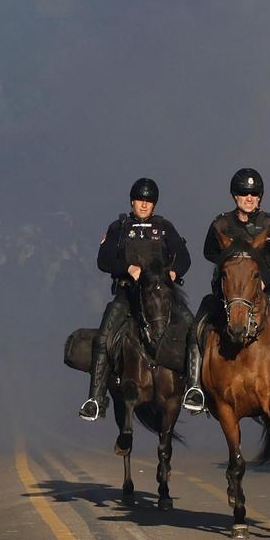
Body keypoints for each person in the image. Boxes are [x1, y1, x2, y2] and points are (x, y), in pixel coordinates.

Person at [189, 168, 270, 412]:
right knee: (198, 324)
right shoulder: (220, 223)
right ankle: (195, 386)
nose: (249, 198)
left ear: (260, 196)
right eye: (243, 193)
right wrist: (230, 268)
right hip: (230, 291)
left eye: (254, 194)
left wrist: (263, 281)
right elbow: (208, 252)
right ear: (234, 196)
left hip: (266, 287)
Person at [78, 178, 192, 421]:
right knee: (104, 337)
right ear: (132, 201)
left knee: (194, 331)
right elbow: (103, 259)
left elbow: (184, 257)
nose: (144, 205)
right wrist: (127, 268)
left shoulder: (164, 228)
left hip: (161, 297)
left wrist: (173, 272)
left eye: (149, 201)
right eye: (140, 200)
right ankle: (95, 399)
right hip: (128, 294)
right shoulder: (118, 228)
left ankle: (195, 390)